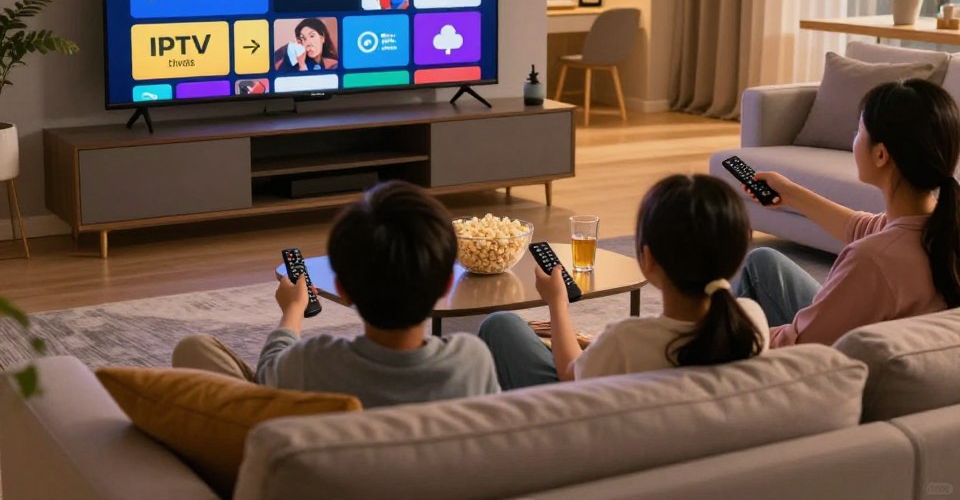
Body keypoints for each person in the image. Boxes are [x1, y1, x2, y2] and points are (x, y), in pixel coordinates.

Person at [172, 181, 500, 408]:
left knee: (194, 349)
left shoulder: (313, 361)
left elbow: (269, 374)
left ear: (341, 290)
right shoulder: (473, 359)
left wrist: (293, 311)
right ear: (447, 284)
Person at [479, 174, 769, 390]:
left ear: (648, 259)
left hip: (579, 427)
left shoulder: (626, 340)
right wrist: (593, 343)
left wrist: (557, 304)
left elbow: (570, 373)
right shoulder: (751, 321)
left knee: (501, 324)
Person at [735, 78, 960, 347]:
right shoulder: (941, 225)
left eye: (858, 131)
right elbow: (862, 228)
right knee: (762, 262)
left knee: (733, 329)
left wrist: (731, 337)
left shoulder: (871, 260)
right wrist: (791, 194)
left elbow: (801, 343)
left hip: (840, 372)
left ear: (880, 155)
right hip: (902, 358)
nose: (854, 140)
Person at [273, 18, 338, 72]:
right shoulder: (292, 60)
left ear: (323, 38)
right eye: (303, 39)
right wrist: (302, 64)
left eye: (312, 36)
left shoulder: (333, 64)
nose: (308, 43)